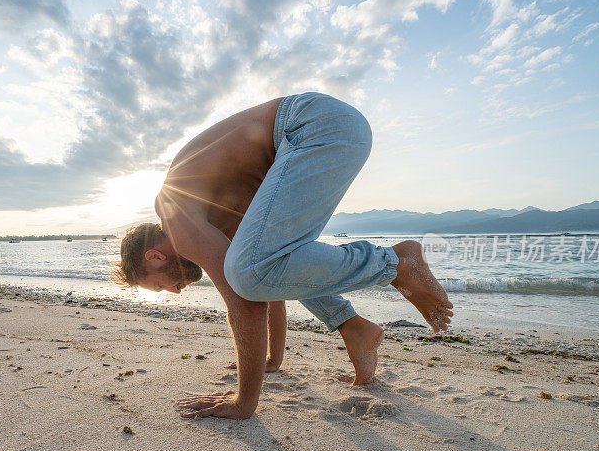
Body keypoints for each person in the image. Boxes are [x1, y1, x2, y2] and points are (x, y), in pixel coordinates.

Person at [114, 92, 453, 419]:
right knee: (266, 266)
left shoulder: (176, 217)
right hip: (327, 127)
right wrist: (272, 360)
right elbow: (266, 290)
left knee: (248, 272)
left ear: (155, 258)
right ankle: (353, 327)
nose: (174, 291)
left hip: (310, 126)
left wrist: (243, 402)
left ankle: (396, 263)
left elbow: (244, 302)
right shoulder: (210, 218)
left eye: (159, 286)